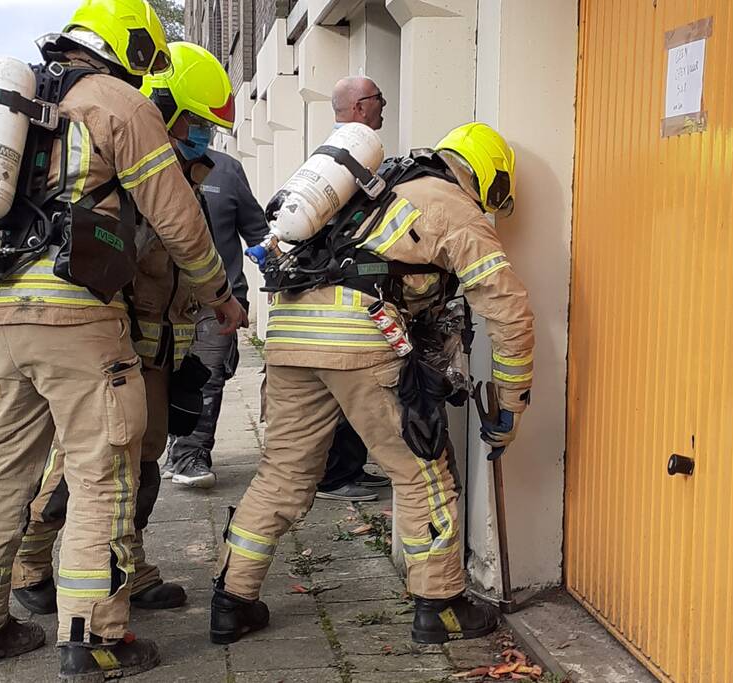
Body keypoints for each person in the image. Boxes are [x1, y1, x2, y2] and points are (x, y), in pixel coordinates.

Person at [0, 2, 246, 679]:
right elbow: (178, 220)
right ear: (130, 46)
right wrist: (220, 297)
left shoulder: (8, 107)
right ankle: (93, 638)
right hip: (76, 312)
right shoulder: (117, 102)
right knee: (102, 474)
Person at [209, 122, 534, 646]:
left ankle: (231, 600)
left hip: (290, 331)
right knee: (422, 472)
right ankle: (441, 607)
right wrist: (513, 399)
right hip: (356, 333)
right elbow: (508, 308)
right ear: (485, 176)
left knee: (284, 472)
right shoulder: (452, 204)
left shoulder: (373, 190)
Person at [9, 41, 240, 621]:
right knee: (81, 467)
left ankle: (128, 569)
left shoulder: (184, 171)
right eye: (195, 124)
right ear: (165, 108)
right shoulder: (125, 170)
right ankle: (29, 564)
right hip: (115, 344)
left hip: (157, 349)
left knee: (142, 462)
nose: (203, 137)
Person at [164, 145, 269, 488]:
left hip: (219, 300)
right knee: (158, 376)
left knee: (206, 375)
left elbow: (258, 231)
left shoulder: (227, 169)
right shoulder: (152, 158)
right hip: (161, 298)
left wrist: (278, 273)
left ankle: (191, 455)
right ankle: (166, 445)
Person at [313, 75, 392, 502]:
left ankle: (347, 469)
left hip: (333, 286)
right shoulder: (352, 155)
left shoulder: (336, 152)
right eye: (379, 99)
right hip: (344, 289)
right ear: (360, 106)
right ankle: (337, 475)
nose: (384, 105)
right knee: (350, 384)